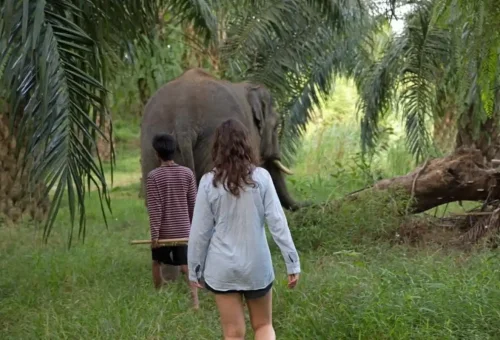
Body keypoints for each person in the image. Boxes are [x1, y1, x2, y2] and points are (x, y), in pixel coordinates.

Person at [188, 119, 300, 339]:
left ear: (217, 148)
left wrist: (194, 269)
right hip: (257, 266)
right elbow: (278, 223)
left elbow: (200, 232)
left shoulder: (208, 182)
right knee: (263, 326)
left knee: (233, 333)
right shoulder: (262, 178)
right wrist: (292, 262)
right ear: (247, 145)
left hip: (222, 268)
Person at [146, 132, 199, 309]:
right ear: (174, 151)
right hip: (184, 230)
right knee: (186, 266)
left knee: (156, 263)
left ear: (157, 154)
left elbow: (155, 209)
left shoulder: (153, 177)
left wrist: (155, 236)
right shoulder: (187, 173)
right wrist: (194, 230)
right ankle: (195, 302)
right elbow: (194, 204)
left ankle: (158, 296)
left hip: (164, 232)